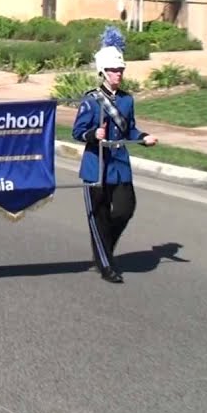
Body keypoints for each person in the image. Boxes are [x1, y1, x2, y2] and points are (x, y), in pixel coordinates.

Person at [71, 26, 158, 284]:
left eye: (120, 70)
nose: (118, 75)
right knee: (98, 217)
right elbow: (77, 131)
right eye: (113, 71)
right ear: (103, 72)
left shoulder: (127, 100)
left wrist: (143, 138)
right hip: (96, 165)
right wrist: (92, 135)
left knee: (124, 209)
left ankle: (104, 248)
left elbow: (129, 129)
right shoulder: (91, 101)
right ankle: (106, 264)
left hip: (119, 164)